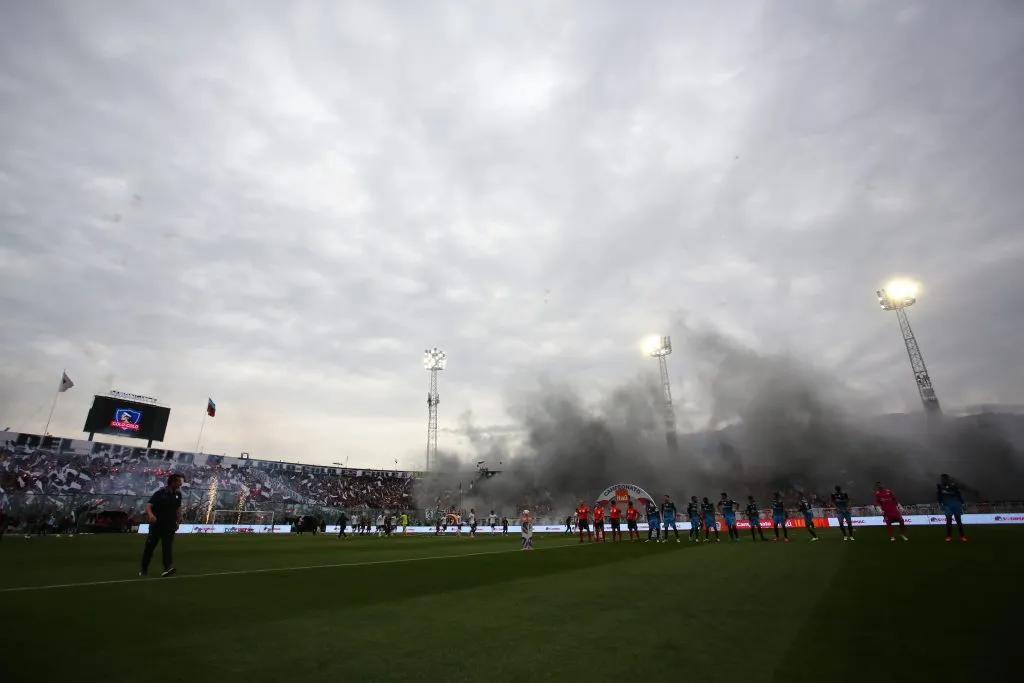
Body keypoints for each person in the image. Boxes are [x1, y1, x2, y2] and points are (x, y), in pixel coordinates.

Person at [140, 473, 183, 577]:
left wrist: (178, 521)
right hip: (157, 526)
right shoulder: (160, 493)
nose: (180, 483)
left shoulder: (178, 495)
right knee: (150, 548)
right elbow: (148, 506)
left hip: (169, 526)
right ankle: (144, 568)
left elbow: (177, 509)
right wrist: (150, 515)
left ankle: (167, 568)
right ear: (172, 482)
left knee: (167, 547)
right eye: (178, 481)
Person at [938, 474, 967, 542]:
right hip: (947, 505)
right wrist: (940, 503)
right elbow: (939, 495)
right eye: (942, 478)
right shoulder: (940, 486)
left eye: (944, 478)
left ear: (947, 479)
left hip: (955, 504)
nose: (943, 480)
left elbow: (958, 494)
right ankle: (949, 536)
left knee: (958, 521)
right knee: (948, 521)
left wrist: (962, 503)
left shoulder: (953, 485)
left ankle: (962, 536)